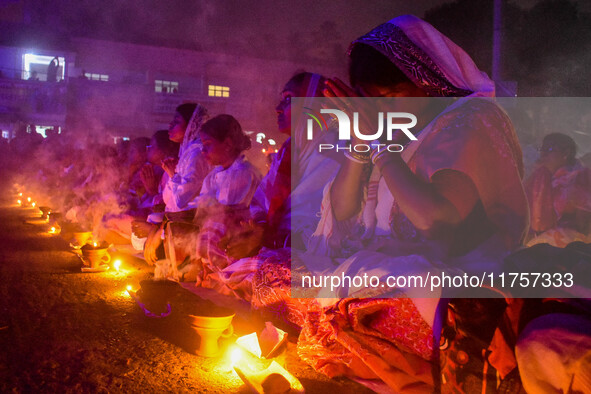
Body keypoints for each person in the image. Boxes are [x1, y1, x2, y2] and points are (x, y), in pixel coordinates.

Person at [282, 15, 529, 393]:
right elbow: (344, 213)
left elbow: (436, 222)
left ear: (428, 80)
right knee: (277, 279)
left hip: (454, 291)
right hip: (390, 275)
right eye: (373, 100)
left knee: (330, 312)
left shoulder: (471, 120)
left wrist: (381, 147)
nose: (381, 110)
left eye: (390, 96)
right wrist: (362, 145)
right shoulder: (402, 129)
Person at [166, 114, 261, 283]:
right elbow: (204, 207)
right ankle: (208, 268)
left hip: (238, 236)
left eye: (208, 145)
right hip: (219, 231)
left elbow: (226, 214)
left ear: (227, 145)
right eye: (203, 145)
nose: (203, 151)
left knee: (215, 225)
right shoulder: (214, 175)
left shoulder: (243, 172)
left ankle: (222, 271)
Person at [143, 103, 210, 265]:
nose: (170, 124)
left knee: (149, 248)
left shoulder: (197, 153)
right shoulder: (186, 152)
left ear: (190, 126)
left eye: (177, 120)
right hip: (174, 225)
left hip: (188, 231)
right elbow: (169, 200)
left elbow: (182, 200)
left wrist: (173, 174)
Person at [525, 132, 591, 247]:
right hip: (539, 244)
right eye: (542, 149)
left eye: (549, 149)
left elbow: (583, 225)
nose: (543, 154)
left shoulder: (582, 178)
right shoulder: (537, 176)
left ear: (566, 152)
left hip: (571, 246)